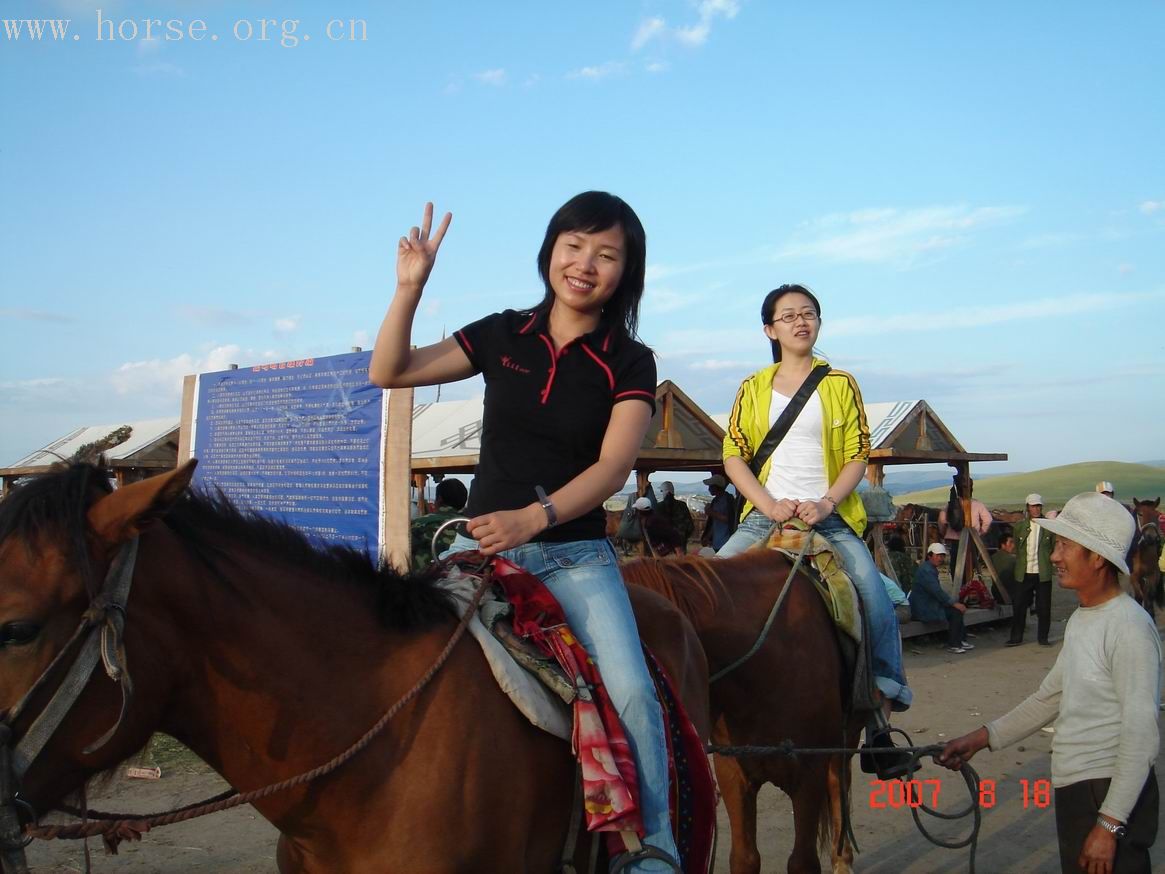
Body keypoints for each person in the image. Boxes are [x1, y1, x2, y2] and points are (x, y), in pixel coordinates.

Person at [369, 193, 678, 870]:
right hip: (475, 550)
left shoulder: (628, 361)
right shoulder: (502, 334)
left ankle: (653, 850)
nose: (584, 264)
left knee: (628, 687)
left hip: (574, 557)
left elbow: (612, 466)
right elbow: (388, 370)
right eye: (573, 245)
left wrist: (532, 518)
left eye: (606, 254)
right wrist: (408, 289)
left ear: (626, 273)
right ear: (549, 250)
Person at [715, 284, 912, 753]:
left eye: (809, 314)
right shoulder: (752, 387)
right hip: (766, 516)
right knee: (709, 582)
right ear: (770, 329)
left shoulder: (839, 383)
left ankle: (882, 711)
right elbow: (733, 456)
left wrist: (826, 504)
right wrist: (767, 504)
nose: (800, 322)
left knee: (872, 593)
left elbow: (857, 454)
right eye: (788, 316)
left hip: (828, 516)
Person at [939, 492, 1160, 874]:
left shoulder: (1129, 629)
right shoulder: (1083, 619)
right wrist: (981, 737)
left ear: (1097, 558)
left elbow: (1141, 737)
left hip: (1107, 794)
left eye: (1064, 546)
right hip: (1079, 789)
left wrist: (1108, 824)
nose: (1055, 557)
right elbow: (1049, 698)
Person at [1008, 493, 1056, 647]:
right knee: (1019, 605)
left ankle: (1043, 638)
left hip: (1043, 573)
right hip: (1024, 572)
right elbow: (1017, 546)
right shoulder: (1020, 527)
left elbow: (1053, 547)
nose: (1035, 509)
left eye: (1038, 506)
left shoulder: (1049, 527)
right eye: (1033, 506)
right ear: (1027, 507)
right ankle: (1016, 637)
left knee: (1044, 607)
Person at [908, 543, 972, 653]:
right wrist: (953, 603)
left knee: (956, 608)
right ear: (929, 556)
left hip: (926, 604)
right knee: (956, 611)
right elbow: (937, 592)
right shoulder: (927, 571)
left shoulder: (928, 568)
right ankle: (954, 644)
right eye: (937, 555)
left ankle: (960, 640)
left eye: (942, 556)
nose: (940, 558)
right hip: (923, 608)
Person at [409, 478, 469, 571]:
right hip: (466, 578)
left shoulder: (420, 524)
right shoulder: (472, 526)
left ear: (439, 499)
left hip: (423, 580)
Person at [938, 494, 992, 584]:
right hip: (972, 539)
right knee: (970, 566)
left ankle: (958, 587)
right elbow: (988, 519)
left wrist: (944, 533)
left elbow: (942, 519)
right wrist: (981, 532)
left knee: (955, 565)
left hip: (955, 540)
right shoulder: (977, 504)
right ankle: (967, 586)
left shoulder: (952, 505)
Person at [700, 474, 734, 551]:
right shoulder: (715, 501)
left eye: (711, 486)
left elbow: (729, 519)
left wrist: (710, 512)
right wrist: (707, 537)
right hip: (718, 542)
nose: (709, 489)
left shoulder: (728, 500)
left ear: (716, 487)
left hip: (726, 542)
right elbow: (715, 523)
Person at [656, 481, 694, 551]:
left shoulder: (659, 507)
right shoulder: (682, 505)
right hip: (680, 540)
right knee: (680, 561)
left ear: (665, 492)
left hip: (664, 542)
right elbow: (690, 526)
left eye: (662, 491)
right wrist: (684, 536)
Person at [990, 531, 1017, 604]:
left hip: (996, 592)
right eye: (1011, 542)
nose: (1013, 545)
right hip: (1010, 594)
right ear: (1003, 545)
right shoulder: (1013, 559)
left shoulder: (992, 557)